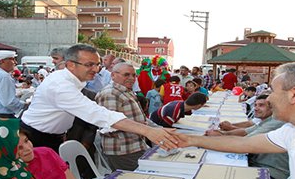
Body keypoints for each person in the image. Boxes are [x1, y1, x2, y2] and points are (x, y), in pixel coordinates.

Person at [21, 44, 178, 152]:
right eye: (89, 65)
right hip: (33, 137)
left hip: (53, 136)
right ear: (70, 65)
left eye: (97, 64)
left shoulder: (73, 80)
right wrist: (148, 131)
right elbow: (97, 113)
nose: (96, 69)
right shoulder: (60, 85)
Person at [205, 94, 289, 179]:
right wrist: (223, 133)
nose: (256, 108)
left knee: (220, 176)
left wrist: (218, 137)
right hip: (258, 163)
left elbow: (246, 141)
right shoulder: (268, 120)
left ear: (272, 108)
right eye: (255, 105)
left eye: (261, 105)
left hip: (270, 172)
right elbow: (246, 131)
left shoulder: (276, 122)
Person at [96, 63, 151, 171]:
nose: (131, 78)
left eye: (133, 75)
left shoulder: (125, 91)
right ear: (113, 75)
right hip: (123, 151)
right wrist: (140, 128)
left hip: (133, 147)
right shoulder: (110, 93)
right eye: (126, 75)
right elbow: (109, 126)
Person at [17, 127, 81, 179]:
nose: (28, 148)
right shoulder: (13, 172)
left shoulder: (47, 152)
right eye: (20, 147)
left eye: (26, 141)